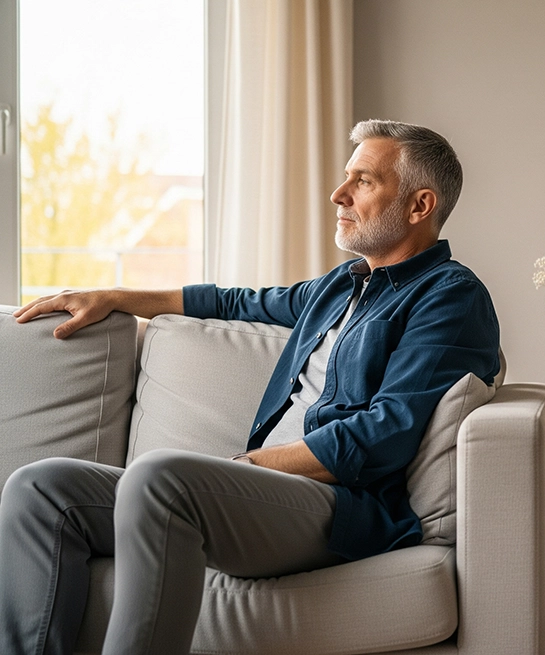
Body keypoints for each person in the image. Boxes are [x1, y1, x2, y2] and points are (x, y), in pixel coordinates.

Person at [0, 120, 501, 655]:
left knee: (161, 477)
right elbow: (233, 302)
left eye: (364, 181)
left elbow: (387, 433)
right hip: (270, 495)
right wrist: (113, 296)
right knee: (41, 488)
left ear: (419, 205)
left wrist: (251, 465)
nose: (339, 194)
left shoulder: (450, 296)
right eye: (346, 177)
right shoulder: (340, 285)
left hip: (343, 506)